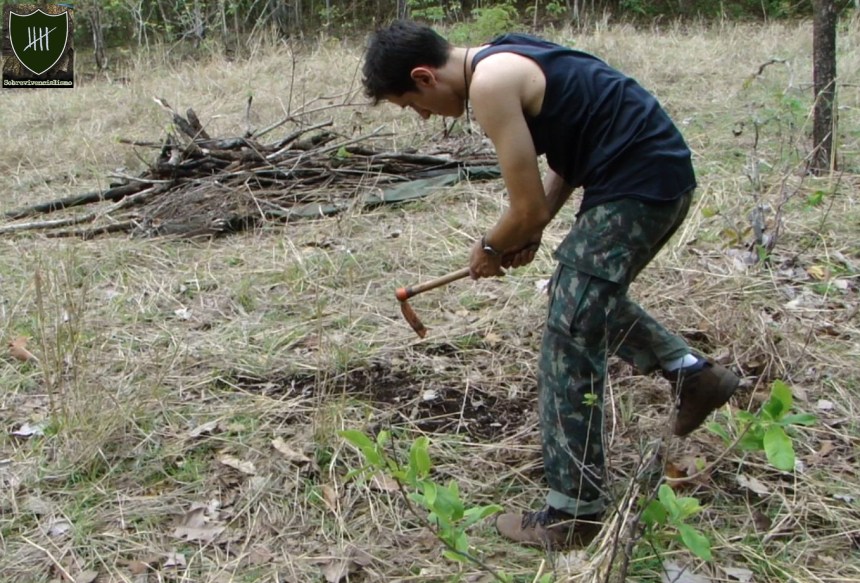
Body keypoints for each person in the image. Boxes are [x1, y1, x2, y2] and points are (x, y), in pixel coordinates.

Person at [361, 20, 739, 549]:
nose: (424, 116)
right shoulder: (507, 55)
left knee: (569, 333)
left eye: (413, 105)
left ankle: (574, 512)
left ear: (424, 77)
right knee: (578, 298)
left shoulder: (490, 85)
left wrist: (493, 246)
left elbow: (526, 205)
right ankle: (692, 376)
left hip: (640, 185)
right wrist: (530, 232)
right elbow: (567, 162)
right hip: (653, 177)